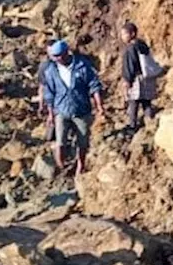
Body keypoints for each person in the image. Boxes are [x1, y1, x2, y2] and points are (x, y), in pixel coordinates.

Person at [41, 39, 105, 175]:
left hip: (81, 110)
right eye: (54, 56)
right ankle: (61, 166)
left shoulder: (82, 66)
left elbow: (94, 85)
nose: (57, 59)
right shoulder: (51, 71)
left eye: (59, 56)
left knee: (83, 142)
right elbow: (49, 94)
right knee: (60, 141)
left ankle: (80, 166)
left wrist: (99, 106)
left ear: (66, 53)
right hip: (61, 110)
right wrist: (50, 114)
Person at [120, 23, 159, 131]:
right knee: (147, 102)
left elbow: (130, 65)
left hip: (136, 79)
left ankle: (133, 125)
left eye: (124, 34)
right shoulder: (142, 44)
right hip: (147, 77)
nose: (122, 37)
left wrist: (127, 81)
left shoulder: (130, 48)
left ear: (132, 34)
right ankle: (150, 123)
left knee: (133, 102)